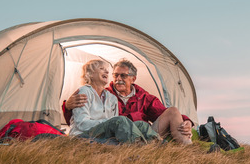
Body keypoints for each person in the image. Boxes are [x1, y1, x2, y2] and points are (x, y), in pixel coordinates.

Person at [64, 58, 193, 145]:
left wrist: (187, 121)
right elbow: (80, 120)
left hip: (137, 132)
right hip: (111, 132)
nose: (118, 79)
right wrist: (67, 106)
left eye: (123, 76)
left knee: (171, 112)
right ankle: (147, 147)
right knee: (122, 121)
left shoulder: (142, 97)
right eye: (115, 75)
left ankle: (188, 148)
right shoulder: (97, 92)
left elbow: (162, 112)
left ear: (133, 79)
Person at [68, 59, 158, 143]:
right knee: (120, 120)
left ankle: (159, 144)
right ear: (90, 74)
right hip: (83, 135)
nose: (107, 72)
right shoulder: (84, 92)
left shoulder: (111, 97)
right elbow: (82, 124)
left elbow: (113, 125)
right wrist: (108, 123)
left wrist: (111, 124)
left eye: (107, 70)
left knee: (142, 125)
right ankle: (137, 147)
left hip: (103, 136)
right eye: (101, 69)